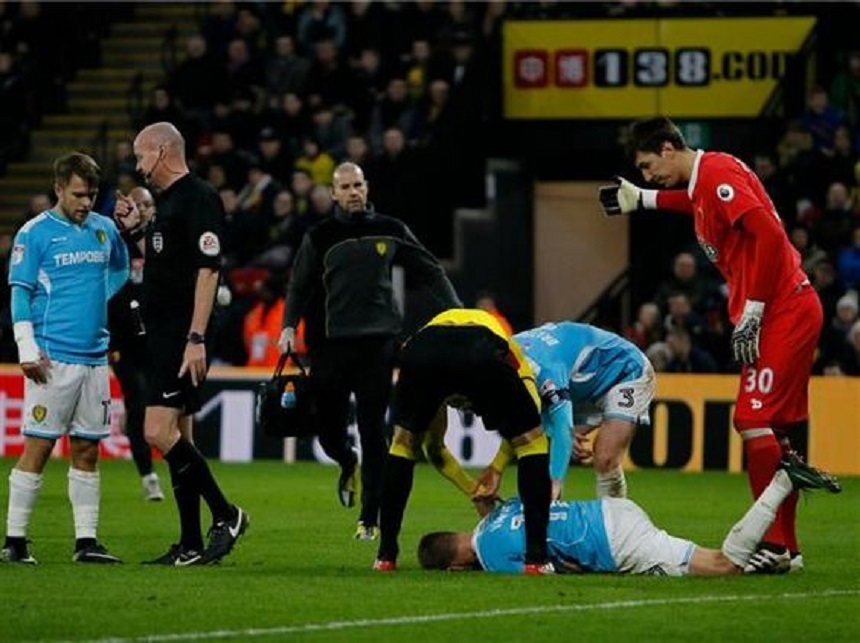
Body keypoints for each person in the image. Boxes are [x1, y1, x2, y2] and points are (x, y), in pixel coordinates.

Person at [598, 116, 827, 573]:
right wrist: (643, 199)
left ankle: (777, 545)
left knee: (752, 419)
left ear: (668, 148)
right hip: (786, 307)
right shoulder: (708, 179)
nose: (647, 175)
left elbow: (767, 234)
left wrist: (757, 309)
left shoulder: (718, 175)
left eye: (647, 167)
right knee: (775, 428)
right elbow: (692, 202)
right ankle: (788, 550)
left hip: (781, 311)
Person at [277, 161, 461, 541]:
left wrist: (459, 312)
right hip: (329, 346)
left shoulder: (390, 231)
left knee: (374, 429)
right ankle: (346, 460)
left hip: (377, 344)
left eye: (358, 185)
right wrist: (288, 326)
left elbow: (429, 270)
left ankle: (370, 516)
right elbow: (299, 285)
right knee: (328, 431)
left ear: (367, 187)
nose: (353, 192)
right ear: (333, 193)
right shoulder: (321, 235)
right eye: (345, 187)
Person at [114, 122, 248, 566]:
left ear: (163, 151)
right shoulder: (168, 204)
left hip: (179, 335)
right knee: (179, 436)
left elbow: (208, 270)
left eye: (141, 155)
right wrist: (136, 232)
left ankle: (227, 514)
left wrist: (195, 337)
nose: (137, 166)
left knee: (155, 431)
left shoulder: (199, 197)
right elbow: (167, 265)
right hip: (162, 335)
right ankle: (190, 541)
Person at [1, 152, 129, 564]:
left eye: (91, 195)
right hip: (52, 358)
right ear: (58, 189)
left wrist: (94, 302)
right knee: (37, 447)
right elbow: (20, 292)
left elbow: (120, 269)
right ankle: (15, 542)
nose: (86, 203)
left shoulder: (104, 229)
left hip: (94, 358)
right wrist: (26, 347)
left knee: (87, 450)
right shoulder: (34, 234)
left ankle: (86, 542)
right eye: (78, 195)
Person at [418, 455, 841, 575]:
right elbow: (504, 511)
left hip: (617, 545)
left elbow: (539, 571)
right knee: (718, 561)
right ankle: (768, 560)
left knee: (720, 564)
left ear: (455, 566)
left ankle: (784, 480)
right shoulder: (493, 516)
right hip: (611, 508)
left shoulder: (490, 559)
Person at [372, 308, 553, 574]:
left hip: (422, 349)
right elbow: (532, 418)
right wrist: (494, 469)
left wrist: (479, 483)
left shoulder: (433, 362)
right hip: (480, 345)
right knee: (533, 443)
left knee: (402, 445)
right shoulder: (511, 349)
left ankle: (385, 557)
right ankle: (536, 560)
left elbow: (433, 449)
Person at [508, 321, 655, 501]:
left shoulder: (546, 369)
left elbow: (562, 426)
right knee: (546, 447)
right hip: (581, 383)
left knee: (604, 457)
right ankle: (548, 521)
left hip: (625, 371)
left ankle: (615, 521)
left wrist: (555, 481)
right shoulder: (508, 355)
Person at [108, 185, 164, 501]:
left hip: (157, 341)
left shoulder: (160, 243)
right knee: (139, 403)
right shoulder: (117, 244)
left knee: (161, 409)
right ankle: (148, 476)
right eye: (137, 203)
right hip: (124, 343)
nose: (142, 208)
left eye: (148, 203)